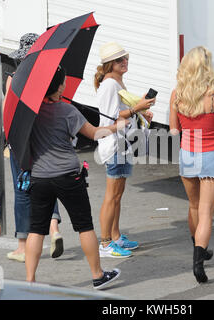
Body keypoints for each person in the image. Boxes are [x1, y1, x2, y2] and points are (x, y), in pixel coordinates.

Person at [25, 65, 128, 288]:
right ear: (60, 85)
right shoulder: (67, 111)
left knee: (36, 229)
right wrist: (116, 126)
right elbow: (94, 133)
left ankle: (30, 282)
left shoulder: (30, 112)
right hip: (68, 176)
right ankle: (97, 274)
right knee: (84, 226)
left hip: (40, 177)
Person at [169, 46, 214, 283]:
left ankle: (198, 249)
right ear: (207, 67)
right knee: (206, 212)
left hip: (188, 153)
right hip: (211, 154)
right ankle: (198, 262)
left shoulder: (177, 94)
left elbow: (173, 130)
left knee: (193, 206)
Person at [3, 33, 63, 262]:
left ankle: (21, 245)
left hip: (20, 140)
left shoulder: (14, 79)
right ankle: (54, 228)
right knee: (47, 182)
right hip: (44, 138)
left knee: (22, 189)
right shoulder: (47, 80)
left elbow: (7, 113)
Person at [94, 42, 155, 258]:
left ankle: (116, 236)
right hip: (115, 144)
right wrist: (136, 109)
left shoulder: (116, 81)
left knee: (117, 195)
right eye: (120, 59)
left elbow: (122, 112)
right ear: (110, 64)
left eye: (126, 57)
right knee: (112, 196)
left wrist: (140, 113)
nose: (125, 61)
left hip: (122, 143)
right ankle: (105, 244)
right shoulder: (110, 84)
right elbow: (112, 116)